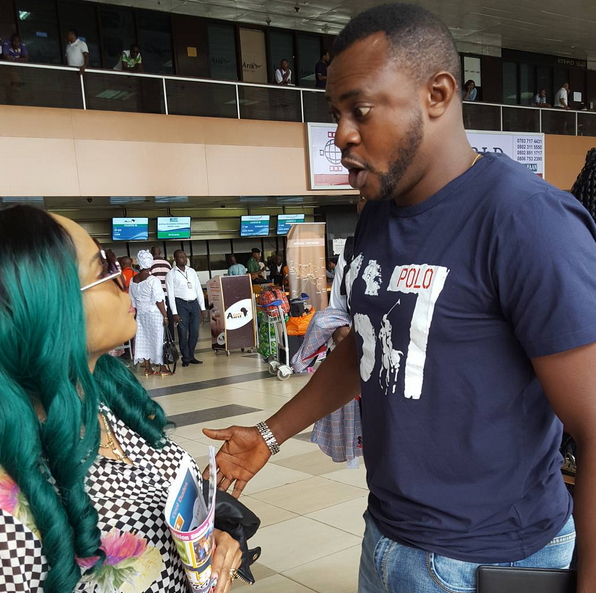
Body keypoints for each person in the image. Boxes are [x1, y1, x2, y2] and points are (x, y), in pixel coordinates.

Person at [203, 4, 596, 593]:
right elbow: (372, 346)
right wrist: (271, 432)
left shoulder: (526, 222)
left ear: (437, 94)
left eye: (359, 109)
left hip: (490, 562)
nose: (341, 136)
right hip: (387, 541)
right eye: (335, 113)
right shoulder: (380, 218)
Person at [0, 205, 254, 593]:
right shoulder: (10, 505)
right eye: (103, 268)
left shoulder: (106, 397)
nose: (122, 278)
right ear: (45, 305)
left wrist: (216, 542)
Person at [129, 250, 172, 377]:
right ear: (150, 263)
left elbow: (132, 300)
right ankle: (162, 368)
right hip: (154, 313)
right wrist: (165, 315)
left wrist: (139, 310)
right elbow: (159, 300)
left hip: (141, 314)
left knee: (143, 339)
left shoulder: (133, 280)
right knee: (158, 339)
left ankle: (147, 368)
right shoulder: (153, 280)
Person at [165, 250, 206, 367]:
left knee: (195, 332)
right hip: (180, 304)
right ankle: (186, 357)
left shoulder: (192, 271)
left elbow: (198, 289)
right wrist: (174, 313)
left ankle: (191, 355)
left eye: (185, 256)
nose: (184, 258)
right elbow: (170, 295)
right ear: (175, 259)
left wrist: (202, 308)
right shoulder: (171, 274)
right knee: (183, 333)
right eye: (181, 257)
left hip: (194, 304)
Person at [150, 246, 174, 338]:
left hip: (157, 297)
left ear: (152, 252)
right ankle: (170, 337)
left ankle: (160, 339)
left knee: (159, 318)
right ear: (160, 252)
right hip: (167, 295)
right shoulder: (167, 263)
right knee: (169, 317)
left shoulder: (150, 264)